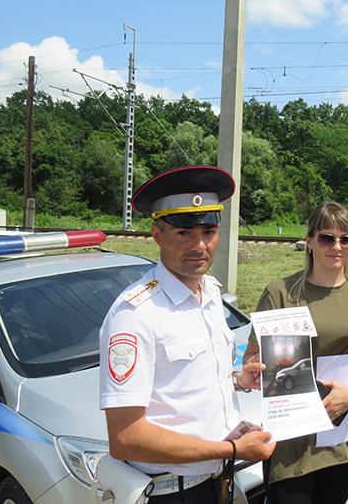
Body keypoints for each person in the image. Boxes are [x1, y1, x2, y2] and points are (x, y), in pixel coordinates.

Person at [99, 165, 275, 504]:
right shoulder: (134, 315)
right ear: (157, 234)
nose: (199, 245)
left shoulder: (208, 293)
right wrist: (233, 448)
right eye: (184, 233)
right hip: (172, 492)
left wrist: (237, 380)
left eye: (209, 231)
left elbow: (182, 385)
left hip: (216, 480)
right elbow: (126, 437)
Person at [243, 201, 348, 504]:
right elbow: (252, 357)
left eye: (347, 239)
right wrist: (256, 371)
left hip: (343, 430)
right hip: (291, 439)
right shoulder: (280, 293)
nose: (337, 246)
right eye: (327, 238)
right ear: (310, 241)